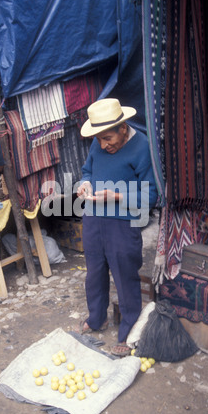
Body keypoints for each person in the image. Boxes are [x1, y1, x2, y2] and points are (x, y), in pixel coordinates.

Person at [77, 98, 158, 356]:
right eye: (99, 139)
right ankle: (96, 317)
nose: (103, 144)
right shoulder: (99, 140)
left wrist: (118, 196)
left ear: (123, 127)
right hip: (92, 218)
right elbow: (87, 170)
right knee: (95, 273)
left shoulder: (142, 146)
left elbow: (152, 195)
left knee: (125, 276)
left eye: (108, 138)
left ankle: (128, 328)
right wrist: (84, 184)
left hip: (123, 224)